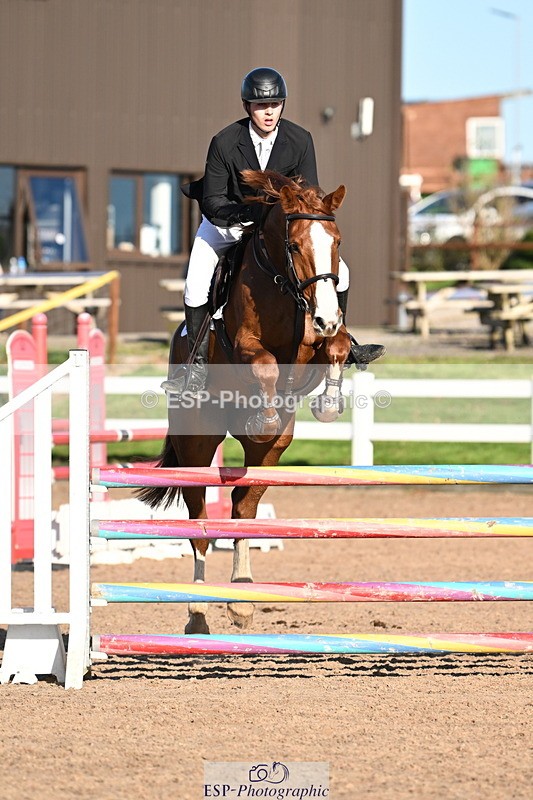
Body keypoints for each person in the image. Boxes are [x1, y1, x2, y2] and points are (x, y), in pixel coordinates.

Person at [162, 67, 384, 395]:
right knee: (195, 285)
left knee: (343, 273)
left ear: (283, 105)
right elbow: (212, 201)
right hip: (227, 226)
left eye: (275, 104)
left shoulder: (299, 140)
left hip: (277, 230)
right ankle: (195, 366)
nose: (268, 111)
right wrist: (253, 213)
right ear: (246, 106)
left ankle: (343, 340)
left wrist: (282, 221)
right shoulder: (225, 142)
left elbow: (309, 194)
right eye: (259, 105)